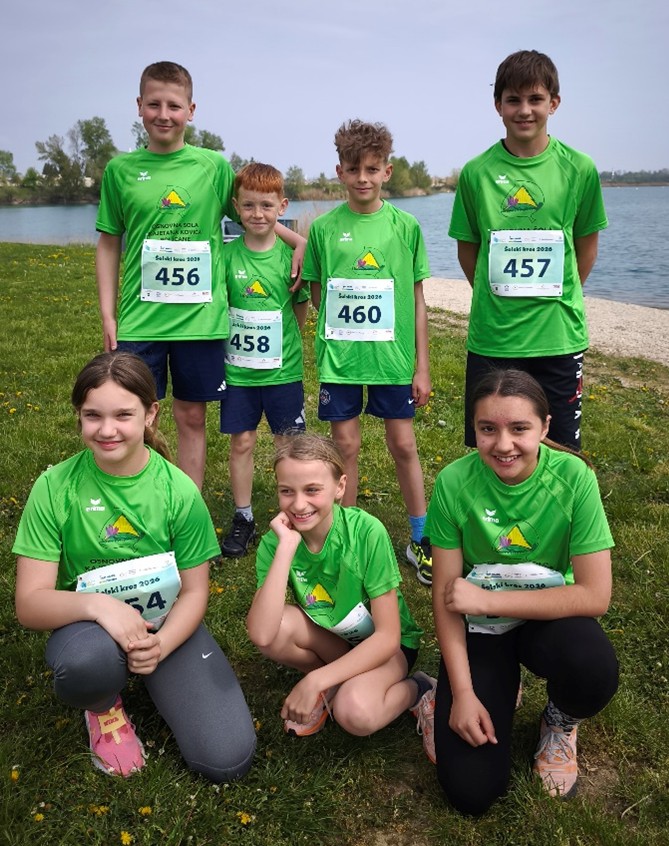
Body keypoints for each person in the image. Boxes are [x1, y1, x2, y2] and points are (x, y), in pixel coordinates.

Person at [13, 352, 256, 781]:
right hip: (88, 628)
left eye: (123, 415)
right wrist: (100, 607)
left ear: (150, 414)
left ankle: (151, 666)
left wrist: (161, 645)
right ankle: (103, 706)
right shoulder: (54, 487)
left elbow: (195, 591)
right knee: (87, 663)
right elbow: (30, 603)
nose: (107, 430)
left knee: (227, 759)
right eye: (93, 415)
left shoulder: (179, 491)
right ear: (79, 416)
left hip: (164, 624)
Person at [414, 369, 618, 814]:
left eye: (519, 428)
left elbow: (595, 595)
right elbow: (446, 600)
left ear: (545, 427)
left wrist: (490, 600)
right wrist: (462, 694)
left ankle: (559, 724)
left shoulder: (574, 477)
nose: (503, 444)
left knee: (593, 666)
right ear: (474, 429)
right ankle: (439, 697)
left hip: (546, 622)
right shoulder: (453, 482)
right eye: (487, 429)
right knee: (471, 793)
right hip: (482, 631)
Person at [96, 60, 305, 489]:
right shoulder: (120, 172)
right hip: (141, 320)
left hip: (200, 322)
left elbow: (253, 214)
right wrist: (108, 315)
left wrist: (297, 241)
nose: (164, 114)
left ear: (191, 111)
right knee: (135, 415)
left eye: (174, 105)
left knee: (191, 416)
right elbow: (109, 243)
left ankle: (189, 505)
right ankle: (144, 496)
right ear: (139, 106)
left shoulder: (213, 167)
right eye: (154, 104)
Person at [448, 49, 608, 452]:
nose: (524, 110)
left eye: (535, 99)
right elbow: (469, 252)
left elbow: (586, 248)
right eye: (513, 100)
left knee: (562, 451)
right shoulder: (476, 173)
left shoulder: (579, 168)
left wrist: (555, 293)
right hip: (494, 339)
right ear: (497, 105)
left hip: (558, 338)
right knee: (492, 448)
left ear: (554, 103)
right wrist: (499, 296)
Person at [301, 119, 434, 585]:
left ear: (387, 172)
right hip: (341, 363)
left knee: (403, 445)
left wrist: (422, 366)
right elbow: (317, 292)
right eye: (354, 169)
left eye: (372, 169)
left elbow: (417, 299)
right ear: (339, 171)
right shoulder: (323, 229)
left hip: (392, 362)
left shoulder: (405, 227)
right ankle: (346, 538)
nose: (363, 178)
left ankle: (421, 537)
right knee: (346, 448)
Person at [246, 432, 431, 739]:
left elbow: (388, 638)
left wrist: (314, 679)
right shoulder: (275, 542)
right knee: (278, 628)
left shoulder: (366, 532)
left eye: (312, 490)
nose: (299, 504)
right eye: (287, 491)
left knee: (355, 713)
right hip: (336, 639)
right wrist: (286, 548)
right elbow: (262, 634)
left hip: (387, 648)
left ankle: (419, 688)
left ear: (340, 487)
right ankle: (332, 682)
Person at [219, 163, 308, 558]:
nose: (258, 214)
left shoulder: (291, 258)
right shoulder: (226, 256)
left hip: (282, 372)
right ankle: (244, 517)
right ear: (236, 207)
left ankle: (293, 514)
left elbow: (299, 308)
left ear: (282, 207)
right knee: (242, 442)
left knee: (287, 443)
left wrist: (289, 345)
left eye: (267, 206)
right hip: (239, 373)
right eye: (249, 205)